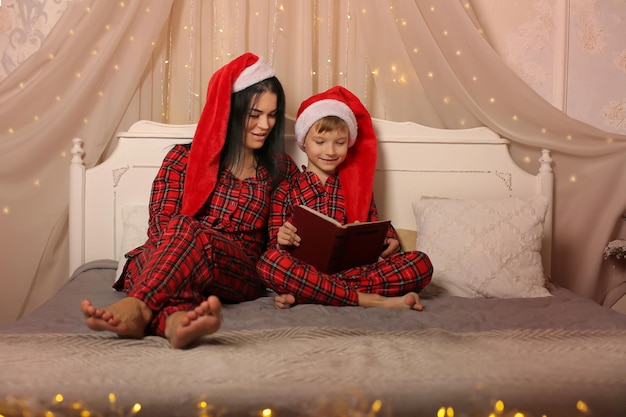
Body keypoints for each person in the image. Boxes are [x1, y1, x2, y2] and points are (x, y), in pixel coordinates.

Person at [81, 52, 298, 348]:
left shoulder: (281, 169)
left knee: (184, 231)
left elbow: (281, 238)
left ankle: (139, 305)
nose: (265, 125)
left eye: (272, 115)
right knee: (151, 254)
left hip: (237, 270)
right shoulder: (182, 159)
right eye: (254, 114)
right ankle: (173, 323)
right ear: (230, 111)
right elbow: (160, 229)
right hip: (173, 255)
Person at [256, 86, 433, 310]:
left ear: (348, 143)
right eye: (320, 142)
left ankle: (312, 294)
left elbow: (376, 227)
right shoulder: (285, 190)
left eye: (339, 143)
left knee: (420, 263)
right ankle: (368, 299)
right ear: (304, 141)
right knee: (269, 263)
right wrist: (282, 239)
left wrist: (390, 242)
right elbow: (274, 246)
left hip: (352, 272)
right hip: (305, 270)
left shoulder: (357, 188)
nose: (330, 151)